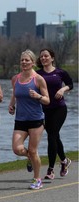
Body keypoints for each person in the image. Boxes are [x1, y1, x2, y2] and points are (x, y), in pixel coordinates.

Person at [8, 49, 50, 190]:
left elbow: (47, 100)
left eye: (27, 60)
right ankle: (32, 159)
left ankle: (37, 179)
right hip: (20, 119)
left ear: (32, 62)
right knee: (16, 149)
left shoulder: (38, 79)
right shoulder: (15, 79)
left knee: (33, 150)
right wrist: (11, 105)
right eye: (22, 60)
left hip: (36, 120)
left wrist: (38, 96)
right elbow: (15, 94)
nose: (24, 62)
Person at [36, 48, 73, 179]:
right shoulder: (37, 74)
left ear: (52, 58)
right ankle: (64, 161)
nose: (43, 58)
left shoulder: (60, 72)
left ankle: (50, 170)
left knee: (52, 136)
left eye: (46, 56)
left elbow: (70, 84)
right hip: (44, 110)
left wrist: (63, 89)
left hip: (59, 109)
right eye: (41, 57)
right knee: (55, 137)